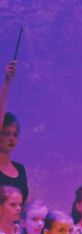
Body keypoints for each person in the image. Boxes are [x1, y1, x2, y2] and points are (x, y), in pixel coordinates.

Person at [0, 60, 28, 201]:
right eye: (6, 133)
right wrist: (7, 82)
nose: (12, 138)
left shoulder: (20, 170)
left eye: (15, 134)